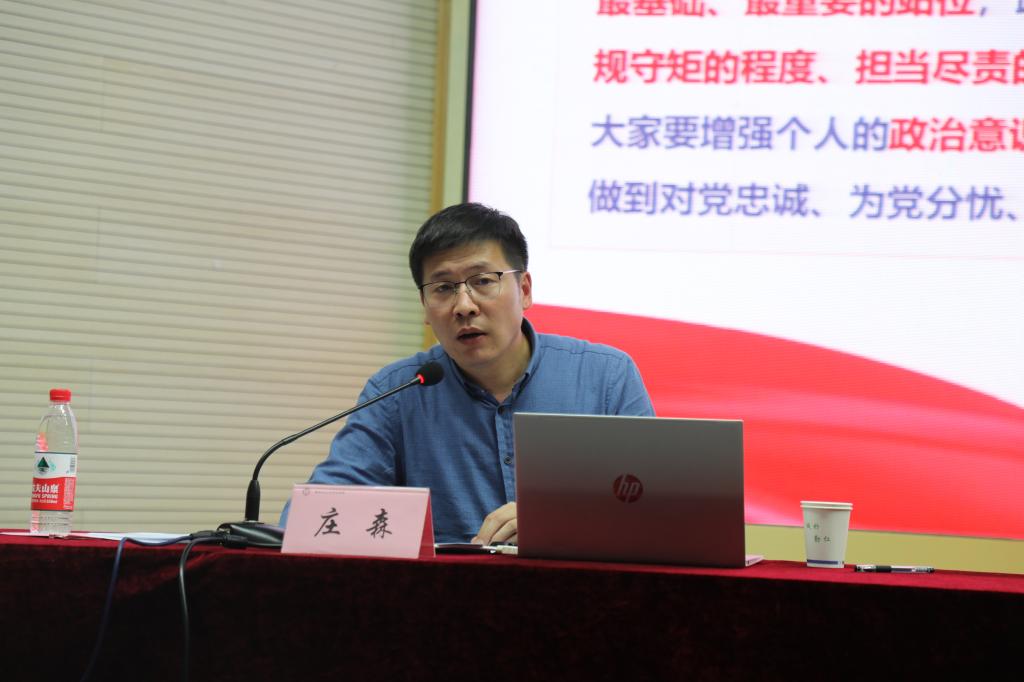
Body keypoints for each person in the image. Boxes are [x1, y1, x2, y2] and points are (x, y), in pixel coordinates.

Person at [282, 203, 654, 543]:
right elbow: (318, 515)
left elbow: (654, 509)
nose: (464, 306)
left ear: (524, 290)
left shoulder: (606, 377)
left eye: (483, 281)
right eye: (443, 288)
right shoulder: (396, 392)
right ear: (425, 306)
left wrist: (556, 519)